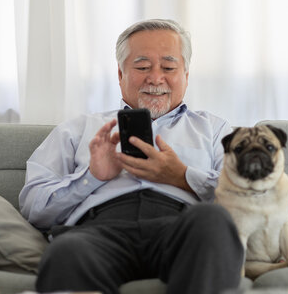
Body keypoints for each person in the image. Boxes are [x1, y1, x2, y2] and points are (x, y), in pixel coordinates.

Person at [19, 19, 244, 294]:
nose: (156, 78)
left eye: (169, 67)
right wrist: (91, 177)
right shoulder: (78, 129)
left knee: (212, 222)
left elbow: (246, 198)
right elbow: (33, 207)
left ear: (186, 74)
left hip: (182, 228)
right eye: (142, 67)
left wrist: (182, 177)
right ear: (120, 74)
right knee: (66, 250)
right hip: (98, 231)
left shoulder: (214, 129)